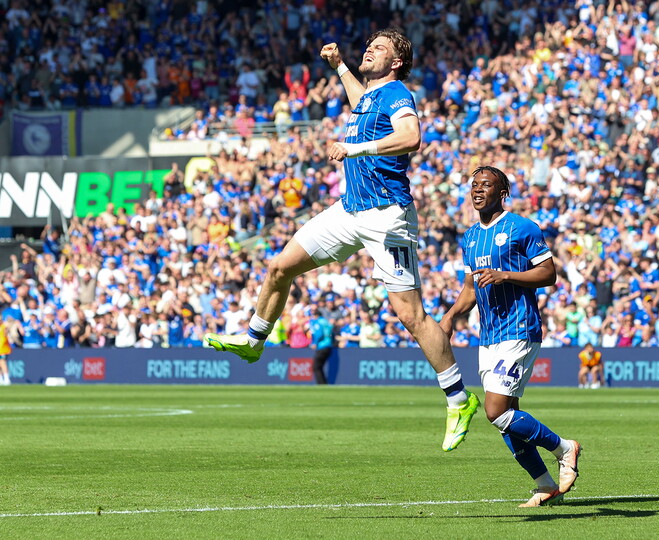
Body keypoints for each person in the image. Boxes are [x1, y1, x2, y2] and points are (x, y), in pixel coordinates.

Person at [205, 28, 479, 451]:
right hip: (349, 209)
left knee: (411, 315)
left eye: (379, 48)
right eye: (369, 45)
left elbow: (411, 138)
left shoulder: (397, 94)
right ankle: (255, 340)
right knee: (279, 267)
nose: (370, 49)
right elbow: (360, 103)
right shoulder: (371, 96)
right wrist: (339, 67)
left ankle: (459, 399)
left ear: (396, 63)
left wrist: (355, 149)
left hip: (386, 215)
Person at [440, 166, 581, 508]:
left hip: (519, 328)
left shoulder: (521, 227)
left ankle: (565, 448)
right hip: (488, 335)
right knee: (508, 420)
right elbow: (470, 288)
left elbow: (549, 274)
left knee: (495, 411)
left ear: (502, 193)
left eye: (486, 185)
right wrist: (450, 316)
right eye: (474, 185)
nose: (478, 190)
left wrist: (506, 275)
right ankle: (545, 485)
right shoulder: (470, 237)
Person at [0, 315, 21, 386]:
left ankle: (6, 379)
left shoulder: (4, 326)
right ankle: (0, 379)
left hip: (3, 348)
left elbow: (9, 325)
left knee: (3, 363)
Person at [308, 311, 334, 384]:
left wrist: (315, 343)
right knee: (319, 366)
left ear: (316, 315)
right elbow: (331, 333)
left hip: (322, 346)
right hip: (328, 345)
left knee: (316, 366)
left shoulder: (318, 322)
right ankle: (323, 383)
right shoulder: (325, 321)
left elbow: (319, 333)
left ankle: (321, 384)